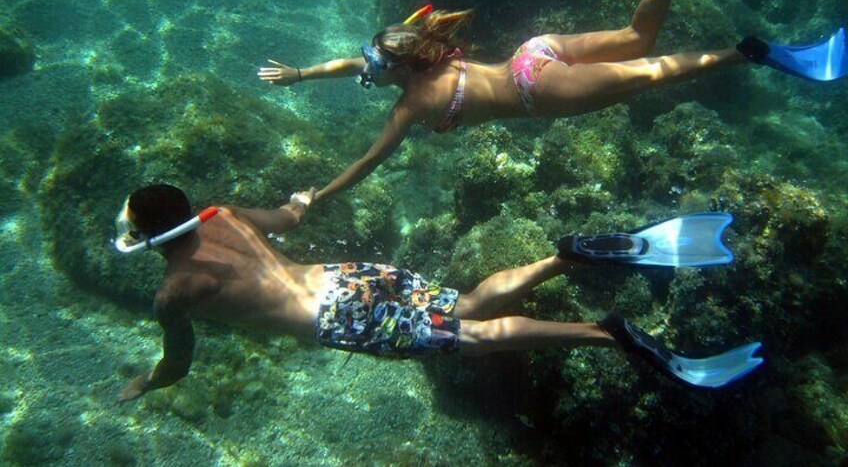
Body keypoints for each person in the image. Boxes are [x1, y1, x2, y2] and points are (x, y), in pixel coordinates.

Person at [258, 0, 846, 203]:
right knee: (635, 38)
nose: (366, 68)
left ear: (401, 69)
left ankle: (746, 53)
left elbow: (367, 164)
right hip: (532, 53)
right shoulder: (428, 60)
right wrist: (302, 74)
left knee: (649, 73)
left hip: (539, 92)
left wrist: (318, 195)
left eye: (373, 64)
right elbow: (349, 64)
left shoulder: (411, 105)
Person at [114, 184, 761, 402]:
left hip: (334, 317)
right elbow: (287, 218)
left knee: (472, 338)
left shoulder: (173, 292)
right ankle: (563, 257)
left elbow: (179, 363)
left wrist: (149, 381)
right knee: (466, 304)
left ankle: (607, 334)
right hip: (349, 275)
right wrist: (297, 199)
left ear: (148, 236)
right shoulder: (222, 214)